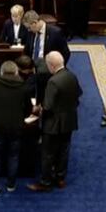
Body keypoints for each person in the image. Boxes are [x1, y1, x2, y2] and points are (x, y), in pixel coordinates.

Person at [28, 52, 82, 192]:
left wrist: (37, 110)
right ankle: (60, 178)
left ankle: (45, 182)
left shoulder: (53, 81)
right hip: (69, 120)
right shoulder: (72, 75)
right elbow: (78, 94)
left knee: (47, 153)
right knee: (64, 150)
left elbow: (47, 106)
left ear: (51, 65)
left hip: (53, 124)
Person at [0, 61, 33, 195]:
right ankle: (11, 184)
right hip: (16, 126)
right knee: (13, 156)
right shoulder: (23, 86)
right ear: (16, 72)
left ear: (1, 72)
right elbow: (28, 109)